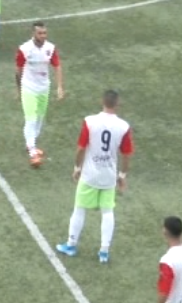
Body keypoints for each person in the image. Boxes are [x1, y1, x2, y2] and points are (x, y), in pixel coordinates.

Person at [56, 89, 134, 264]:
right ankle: (104, 251)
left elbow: (81, 148)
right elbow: (127, 154)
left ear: (102, 102)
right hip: (108, 176)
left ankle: (71, 244)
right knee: (108, 211)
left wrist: (77, 167)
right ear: (117, 104)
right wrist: (122, 175)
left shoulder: (90, 122)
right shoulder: (123, 127)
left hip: (90, 174)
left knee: (79, 208)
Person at [16, 21, 64, 166]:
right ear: (33, 33)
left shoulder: (50, 48)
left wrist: (59, 87)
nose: (43, 36)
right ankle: (32, 152)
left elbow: (57, 66)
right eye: (40, 33)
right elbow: (18, 69)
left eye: (45, 33)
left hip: (44, 88)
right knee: (30, 119)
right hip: (28, 88)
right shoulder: (25, 49)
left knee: (40, 119)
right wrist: (19, 89)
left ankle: (32, 143)